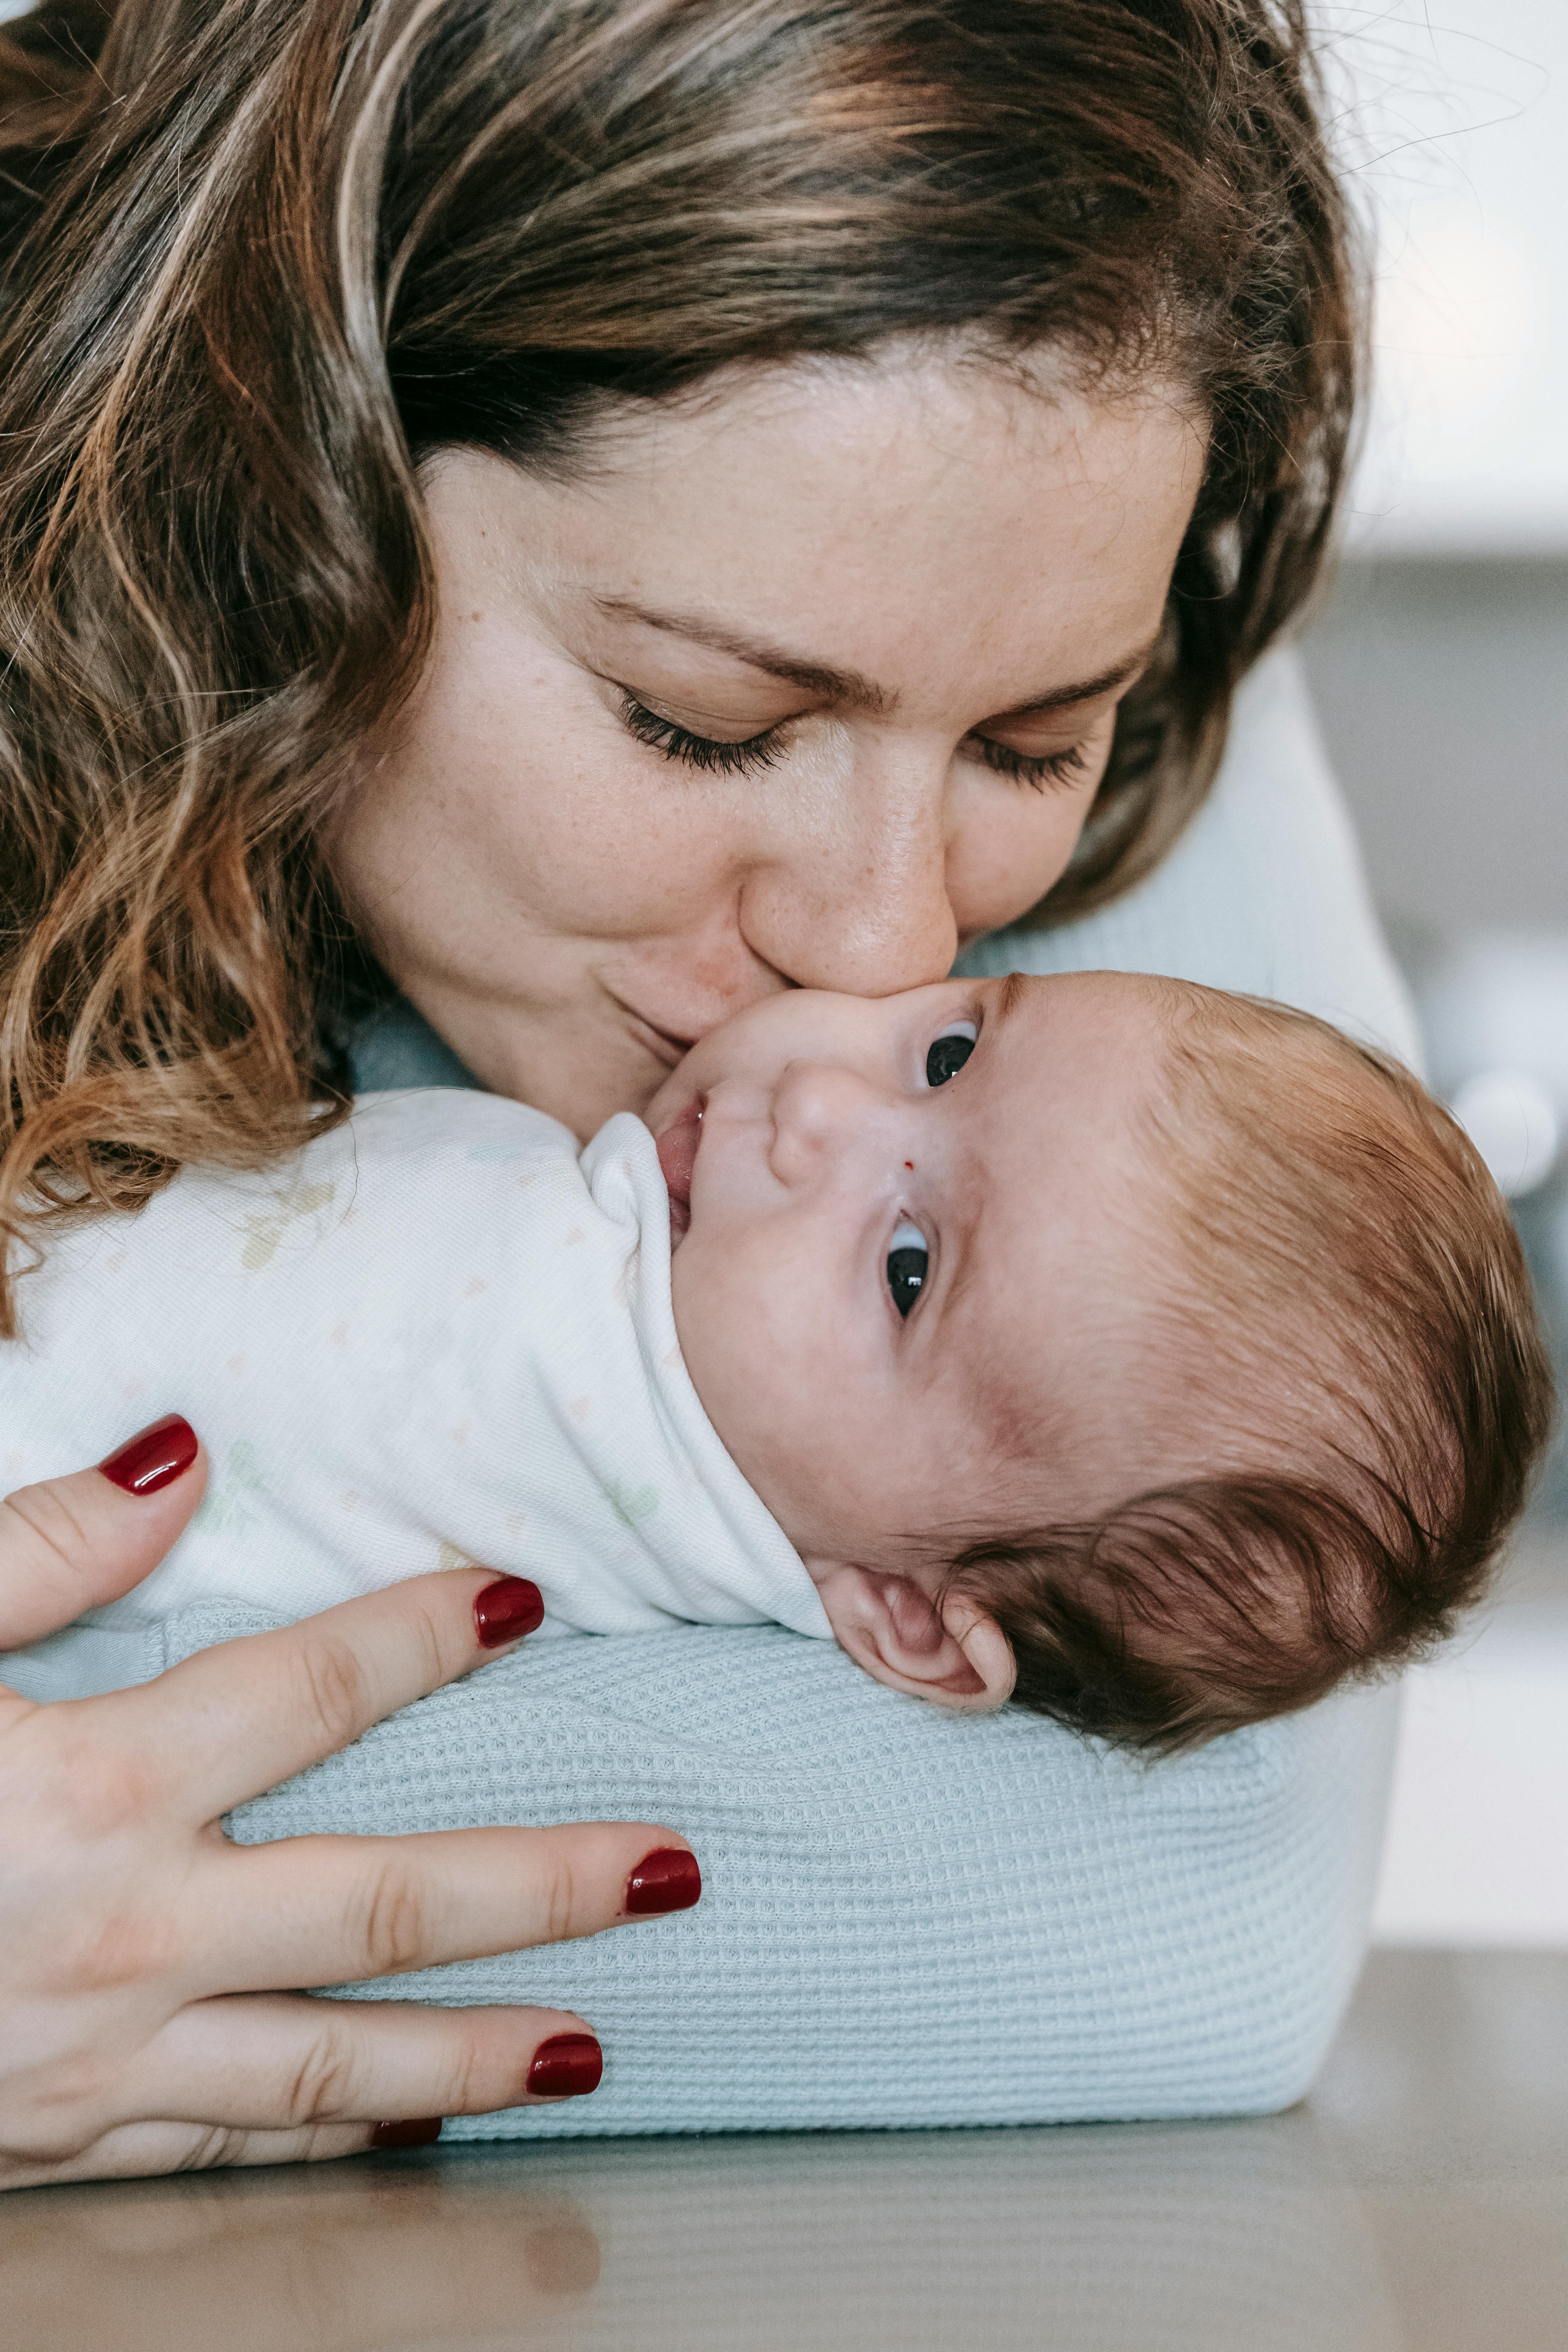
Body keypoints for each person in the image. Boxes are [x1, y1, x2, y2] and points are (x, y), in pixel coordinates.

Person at [0, 0, 1416, 2183]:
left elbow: (1174, 1916)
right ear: (265, 446)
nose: (887, 950)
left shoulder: (1067, 410)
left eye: (1041, 746)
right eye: (698, 724)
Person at [4, 969, 1552, 1743]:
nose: (817, 1108)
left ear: (906, 1619)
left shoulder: (627, 1477)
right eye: (944, 1053)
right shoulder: (659, 1263)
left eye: (905, 1268)